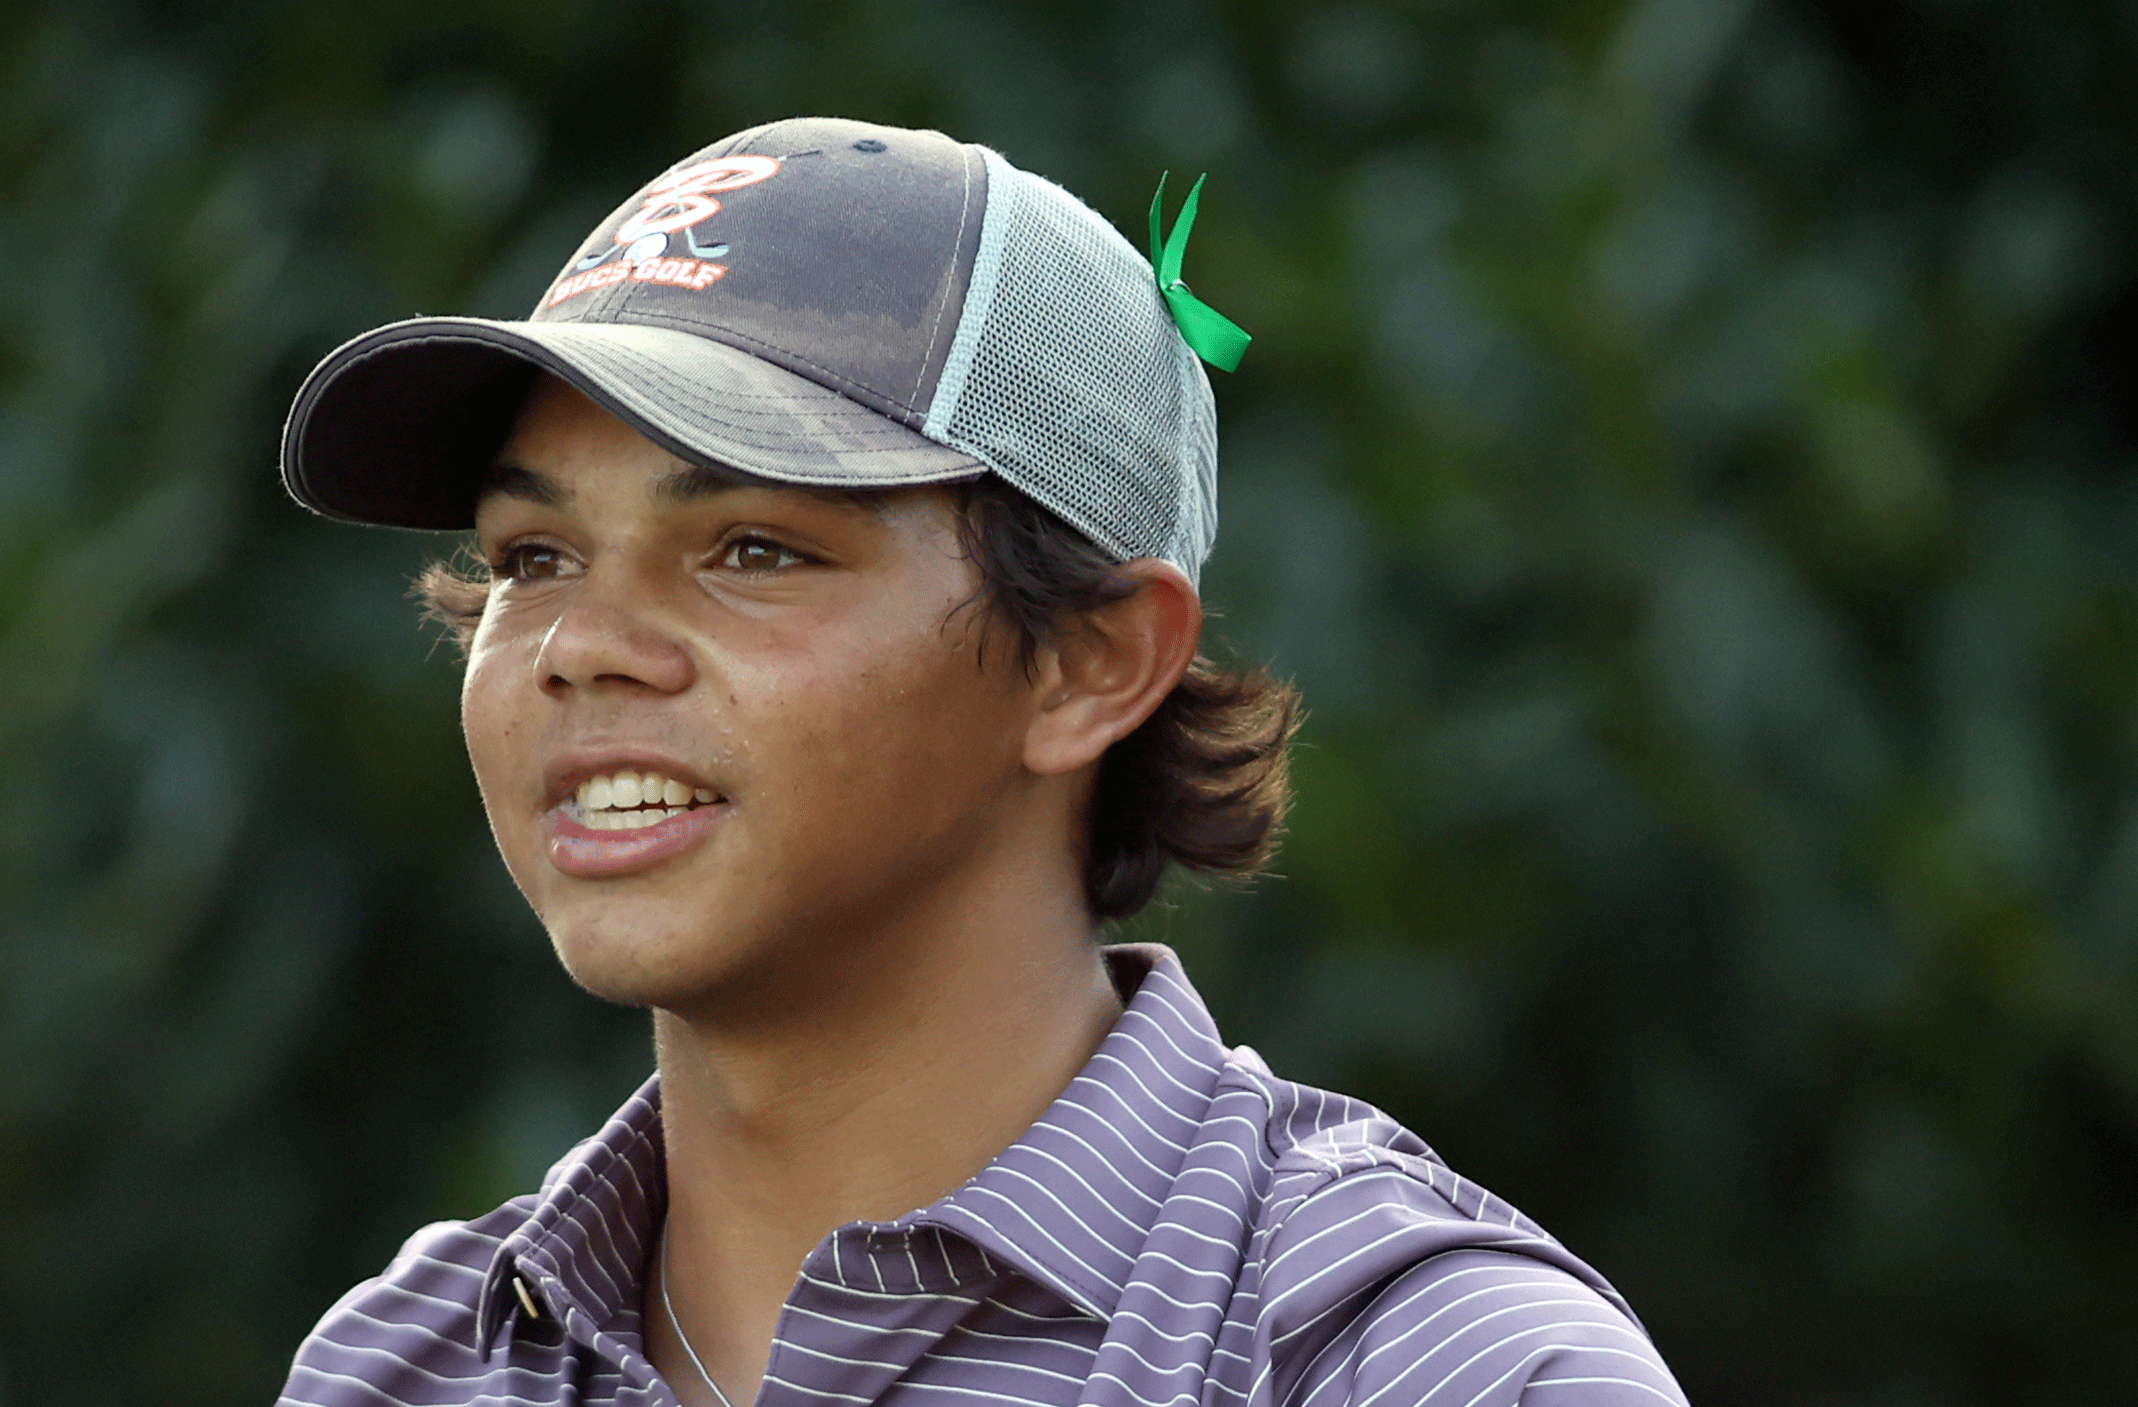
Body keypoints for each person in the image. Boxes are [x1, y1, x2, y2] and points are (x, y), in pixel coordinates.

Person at [273, 117, 1686, 1407]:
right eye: (535, 556)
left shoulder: (1431, 1369)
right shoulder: (401, 1367)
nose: (580, 645)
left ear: (1091, 658)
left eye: (754, 549)